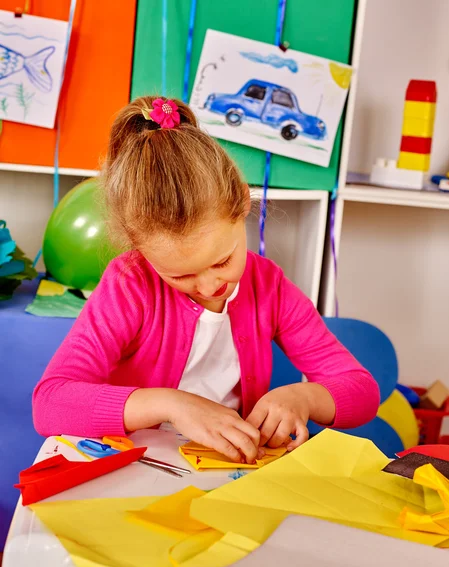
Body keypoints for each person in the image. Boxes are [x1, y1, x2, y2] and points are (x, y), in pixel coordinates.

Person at [33, 96, 379, 464]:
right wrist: (171, 404)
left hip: (225, 474)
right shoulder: (130, 284)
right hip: (135, 469)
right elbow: (50, 401)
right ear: (139, 247)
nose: (210, 284)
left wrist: (303, 398)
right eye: (181, 275)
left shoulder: (268, 286)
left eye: (223, 260)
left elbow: (362, 390)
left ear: (243, 203)